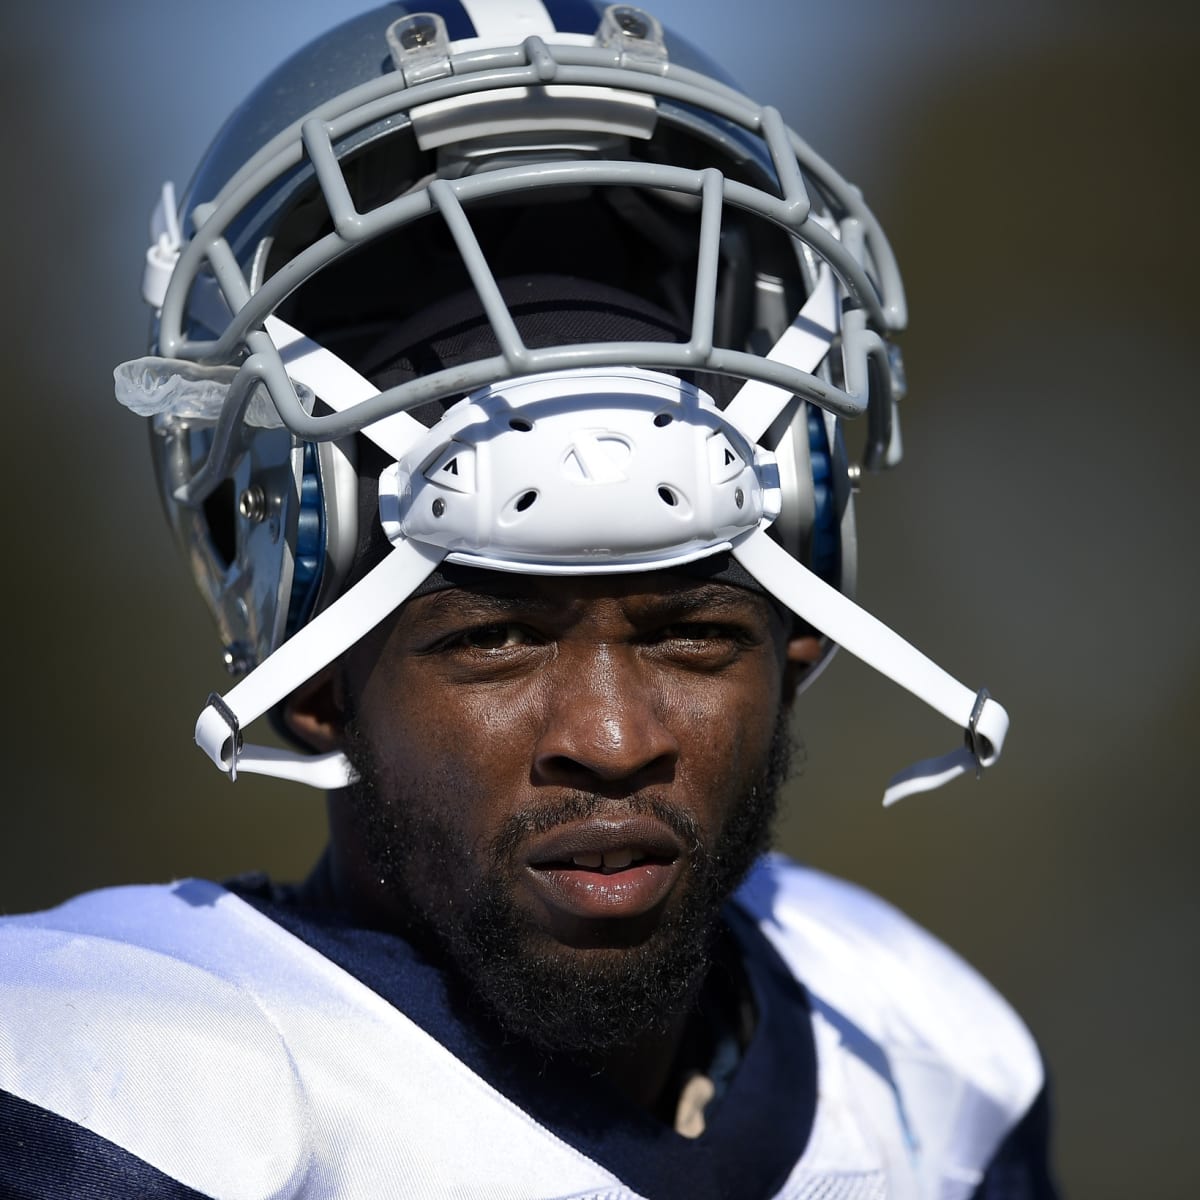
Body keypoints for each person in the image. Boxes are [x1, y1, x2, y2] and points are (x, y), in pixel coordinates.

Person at [0, 2, 1057, 1196]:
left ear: (799, 615)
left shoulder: (927, 1068)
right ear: (310, 671)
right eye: (494, 637)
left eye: (693, 632)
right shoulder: (108, 1101)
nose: (612, 742)